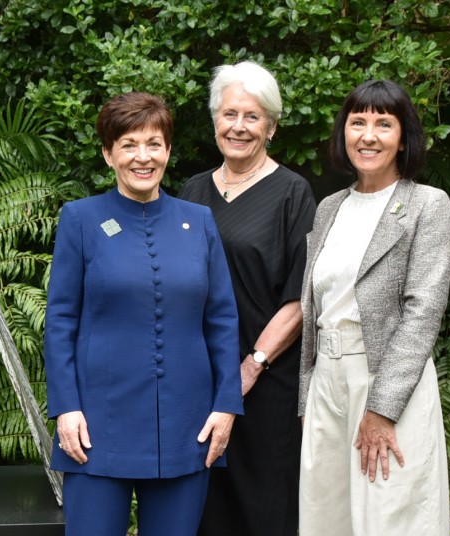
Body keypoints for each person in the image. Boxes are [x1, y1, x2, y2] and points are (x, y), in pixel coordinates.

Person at [44, 92, 244, 536]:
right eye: (129, 144)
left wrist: (226, 406)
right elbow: (60, 320)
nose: (143, 156)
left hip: (187, 426)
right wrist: (66, 407)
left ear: (168, 151)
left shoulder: (200, 221)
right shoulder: (80, 219)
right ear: (108, 153)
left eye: (154, 144)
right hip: (97, 424)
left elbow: (223, 320)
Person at [298, 80, 450, 535]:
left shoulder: (428, 205)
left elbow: (423, 311)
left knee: (390, 515)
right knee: (326, 515)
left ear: (403, 138)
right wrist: (309, 395)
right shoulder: (329, 207)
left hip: (388, 380)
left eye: (383, 124)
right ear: (343, 133)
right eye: (358, 123)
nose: (368, 136)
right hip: (327, 382)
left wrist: (382, 409)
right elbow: (315, 307)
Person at [179, 61, 316, 536]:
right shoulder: (190, 192)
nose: (239, 126)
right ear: (215, 120)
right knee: (205, 504)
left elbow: (301, 298)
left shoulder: (293, 194)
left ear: (271, 127)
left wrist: (252, 363)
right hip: (199, 378)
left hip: (267, 379)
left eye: (252, 117)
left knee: (264, 506)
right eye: (230, 114)